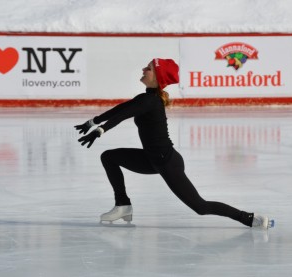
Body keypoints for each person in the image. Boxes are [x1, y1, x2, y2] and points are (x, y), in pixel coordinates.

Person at [74, 58, 273, 229]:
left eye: (149, 68)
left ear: (158, 77)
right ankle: (123, 205)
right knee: (109, 157)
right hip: (152, 159)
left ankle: (250, 218)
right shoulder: (145, 98)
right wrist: (94, 122)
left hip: (167, 162)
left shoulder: (150, 101)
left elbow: (123, 115)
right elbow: (121, 109)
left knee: (201, 207)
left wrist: (100, 130)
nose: (144, 70)